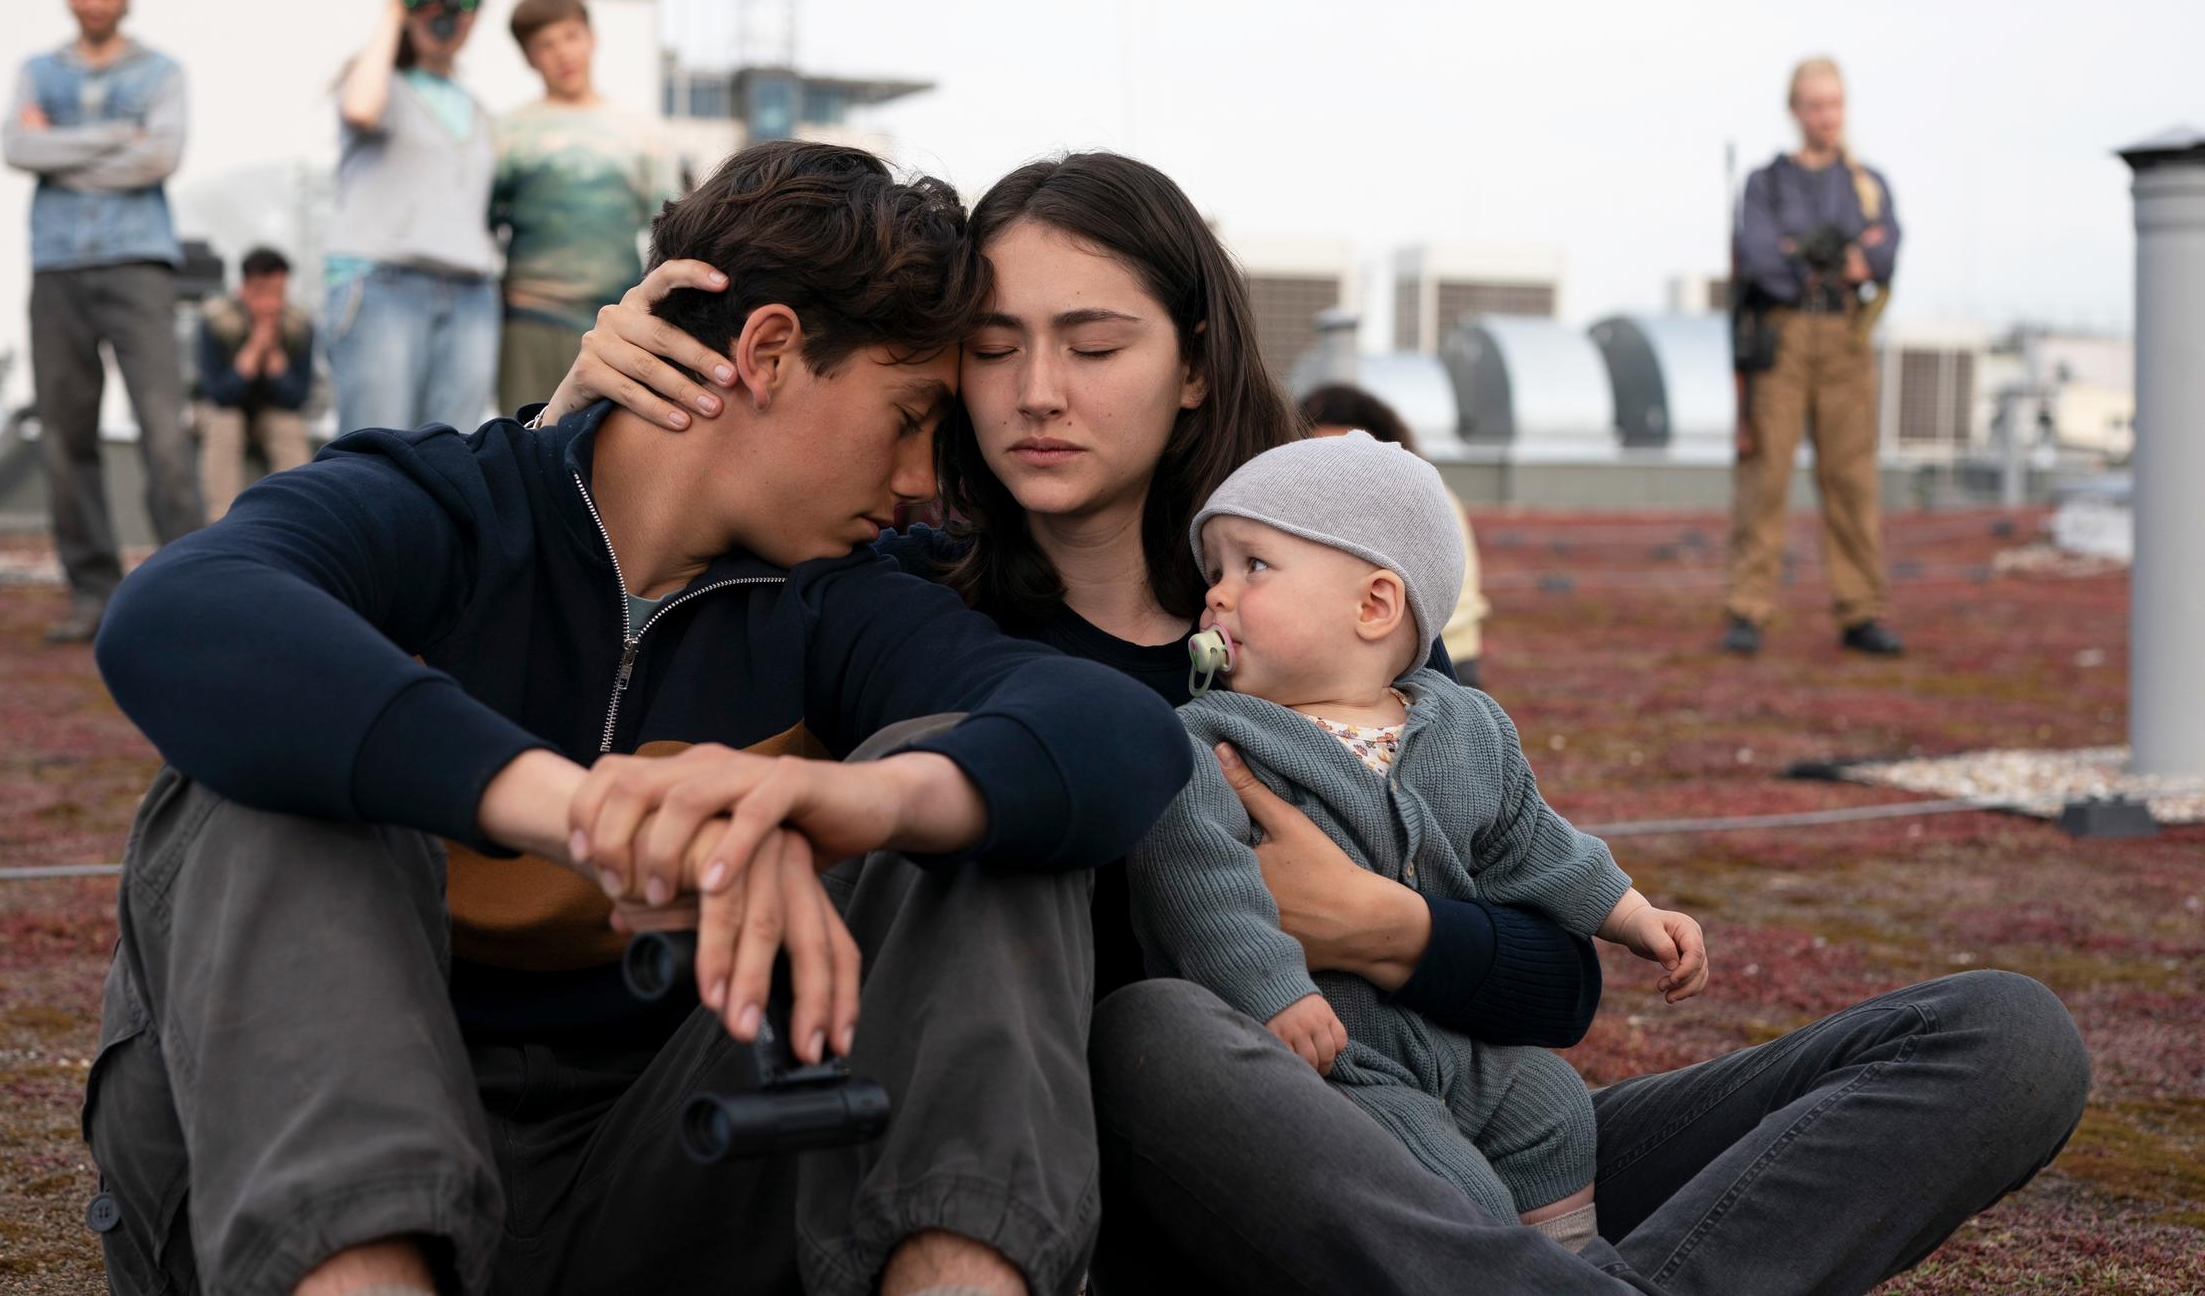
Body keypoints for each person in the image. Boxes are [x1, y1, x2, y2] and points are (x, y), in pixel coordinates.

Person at [550, 147, 2089, 1295]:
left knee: (2000, 1036)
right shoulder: (904, 608)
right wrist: (578, 407)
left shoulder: (1334, 599)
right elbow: (636, 537)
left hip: (1454, 1146)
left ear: (1194, 359)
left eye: (1095, 344)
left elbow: (1551, 978)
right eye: (998, 346)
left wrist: (1377, 925)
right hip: (1190, 1163)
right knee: (1163, 1028)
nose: (1036, 390)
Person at [82, 140, 1189, 1296]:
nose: (923, 477)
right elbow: (177, 611)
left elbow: (1110, 729)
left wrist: (855, 800)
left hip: (656, 1192)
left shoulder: (835, 601)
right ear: (768, 352)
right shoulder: (453, 509)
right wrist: (580, 811)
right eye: (910, 415)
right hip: (301, 1191)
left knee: (971, 802)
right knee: (267, 776)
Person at [1132, 432, 1707, 1253]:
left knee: (1554, 1108)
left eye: (1252, 566)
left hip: (1458, 1041)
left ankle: (1577, 1268)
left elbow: (1531, 842)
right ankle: (1517, 1272)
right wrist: (1271, 992)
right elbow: (1198, 882)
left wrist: (1631, 912)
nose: (1216, 597)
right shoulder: (1212, 739)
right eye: (1214, 572)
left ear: (1374, 606)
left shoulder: (1468, 727)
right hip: (1342, 1055)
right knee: (1450, 1184)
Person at [2, 0, 201, 644]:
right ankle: (91, 590)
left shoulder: (161, 72)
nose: (93, 3)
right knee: (66, 436)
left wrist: (62, 148)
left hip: (138, 264)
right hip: (56, 267)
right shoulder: (37, 69)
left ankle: (193, 586)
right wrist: (118, 137)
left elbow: (160, 158)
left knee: (164, 433)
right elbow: (15, 149)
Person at [1725, 56, 1904, 660]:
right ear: (1796, 110)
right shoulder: (1765, 182)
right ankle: (1747, 609)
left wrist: (1801, 250)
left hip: (1847, 340)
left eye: (1835, 104)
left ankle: (1862, 611)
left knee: (1852, 478)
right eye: (1815, 104)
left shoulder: (1868, 182)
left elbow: (1884, 252)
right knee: (1765, 476)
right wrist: (1829, 255)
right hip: (1783, 338)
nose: (1826, 115)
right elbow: (1760, 259)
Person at [326, 0, 499, 436]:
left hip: (469, 296)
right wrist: (394, 9)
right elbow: (361, 108)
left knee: (450, 459)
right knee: (373, 460)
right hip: (383, 286)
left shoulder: (477, 109)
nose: (443, 9)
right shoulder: (378, 83)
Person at [489, 0, 668, 414]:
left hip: (614, 320)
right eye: (545, 45)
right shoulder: (506, 132)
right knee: (528, 441)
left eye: (570, 36)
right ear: (529, 57)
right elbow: (480, 221)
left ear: (591, 37)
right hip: (529, 317)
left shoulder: (642, 132)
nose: (562, 54)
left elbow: (669, 227)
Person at [1299, 381, 1491, 688]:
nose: (1332, 469)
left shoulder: (1422, 497)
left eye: (1349, 450)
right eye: (1315, 454)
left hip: (1439, 663)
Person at [194, 247, 314, 523]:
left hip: (268, 416)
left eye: (279, 293)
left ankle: (299, 520)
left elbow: (297, 399)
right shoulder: (217, 322)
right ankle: (222, 525)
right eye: (263, 292)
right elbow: (216, 395)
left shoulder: (297, 327)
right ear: (244, 289)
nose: (271, 304)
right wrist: (248, 359)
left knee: (287, 426)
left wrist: (276, 367)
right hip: (218, 414)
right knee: (227, 422)